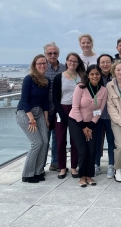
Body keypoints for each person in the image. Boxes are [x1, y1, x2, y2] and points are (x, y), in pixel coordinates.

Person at [68, 65, 107, 187]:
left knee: (92, 150)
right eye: (92, 74)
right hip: (76, 122)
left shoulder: (103, 90)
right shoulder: (80, 87)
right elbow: (75, 108)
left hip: (92, 124)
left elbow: (99, 110)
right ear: (88, 76)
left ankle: (89, 175)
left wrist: (90, 126)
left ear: (100, 75)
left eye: (97, 74)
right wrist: (83, 127)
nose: (95, 76)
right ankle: (82, 177)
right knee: (83, 150)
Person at [16, 54, 50, 183]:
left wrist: (46, 119)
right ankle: (27, 174)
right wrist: (31, 119)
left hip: (40, 113)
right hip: (25, 113)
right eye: (39, 63)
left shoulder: (46, 81)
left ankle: (38, 170)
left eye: (44, 63)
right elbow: (24, 101)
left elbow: (45, 102)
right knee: (36, 143)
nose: (42, 65)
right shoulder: (28, 79)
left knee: (45, 142)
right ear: (34, 66)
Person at [53, 53, 85, 179]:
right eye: (70, 60)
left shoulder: (81, 76)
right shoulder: (59, 77)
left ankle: (73, 167)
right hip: (62, 109)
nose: (73, 63)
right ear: (66, 62)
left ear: (78, 63)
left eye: (75, 61)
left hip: (77, 109)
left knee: (75, 140)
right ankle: (62, 167)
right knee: (60, 141)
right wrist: (61, 113)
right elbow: (55, 98)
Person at [44, 42, 65, 172]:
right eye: (50, 53)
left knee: (58, 137)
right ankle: (40, 164)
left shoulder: (64, 68)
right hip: (44, 109)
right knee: (44, 138)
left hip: (59, 108)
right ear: (45, 54)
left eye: (55, 53)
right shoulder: (42, 68)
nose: (52, 55)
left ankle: (56, 163)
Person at [95, 54, 116, 178]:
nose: (105, 64)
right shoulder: (95, 76)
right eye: (102, 62)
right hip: (97, 115)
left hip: (112, 115)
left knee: (112, 142)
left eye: (108, 62)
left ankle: (111, 165)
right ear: (98, 64)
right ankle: (96, 164)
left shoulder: (115, 77)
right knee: (97, 141)